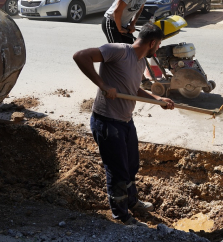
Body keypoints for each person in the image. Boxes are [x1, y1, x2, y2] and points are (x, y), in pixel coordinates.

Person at [73, 23, 174, 227]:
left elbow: (132, 89)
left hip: (126, 121)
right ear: (152, 42)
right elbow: (80, 55)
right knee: (117, 170)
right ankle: (122, 216)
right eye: (159, 44)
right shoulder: (117, 51)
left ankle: (132, 201)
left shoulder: (140, 63)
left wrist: (156, 99)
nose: (158, 48)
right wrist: (103, 85)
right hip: (107, 122)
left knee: (131, 166)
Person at [102, 0, 153, 89]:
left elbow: (140, 10)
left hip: (124, 24)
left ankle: (141, 80)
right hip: (111, 22)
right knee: (119, 53)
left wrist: (132, 24)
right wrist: (119, 28)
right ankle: (113, 82)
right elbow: (117, 11)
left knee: (133, 52)